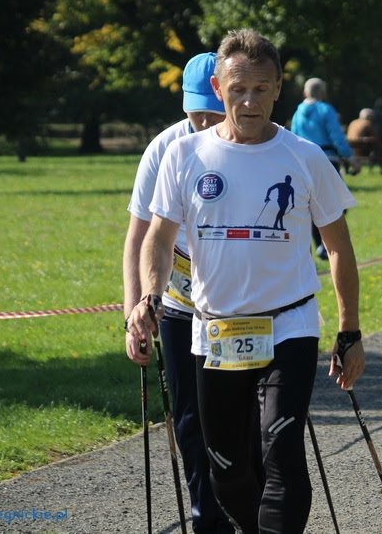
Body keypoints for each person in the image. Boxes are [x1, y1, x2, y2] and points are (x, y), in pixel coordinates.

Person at [125, 29, 365, 534]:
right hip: (215, 330)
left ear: (279, 87)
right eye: (238, 89)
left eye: (261, 88)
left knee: (281, 446)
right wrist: (148, 296)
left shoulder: (304, 157)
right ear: (218, 87)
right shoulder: (184, 156)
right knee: (226, 471)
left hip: (288, 324)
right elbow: (158, 239)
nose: (249, 101)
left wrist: (349, 331)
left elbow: (339, 247)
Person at [122, 51, 234, 534]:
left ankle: (244, 505)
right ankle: (206, 515)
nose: (205, 122)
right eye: (197, 113)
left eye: (214, 112)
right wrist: (133, 313)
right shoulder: (165, 148)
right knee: (189, 415)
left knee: (234, 410)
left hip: (236, 298)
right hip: (177, 299)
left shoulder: (246, 144)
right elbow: (137, 239)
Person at [290, 77, 359, 257]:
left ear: (305, 92)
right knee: (338, 203)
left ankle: (318, 244)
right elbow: (336, 135)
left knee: (310, 205)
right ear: (322, 92)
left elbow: (293, 137)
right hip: (327, 160)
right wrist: (349, 156)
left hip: (302, 163)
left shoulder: (297, 113)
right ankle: (328, 244)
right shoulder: (326, 110)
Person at [346, 108, 382, 174]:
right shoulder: (367, 123)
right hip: (363, 150)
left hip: (351, 148)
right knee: (379, 148)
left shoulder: (353, 122)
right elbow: (375, 138)